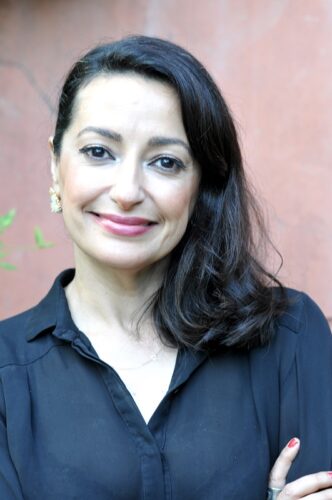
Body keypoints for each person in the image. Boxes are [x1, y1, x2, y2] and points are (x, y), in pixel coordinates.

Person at [0, 35, 331, 500]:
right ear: (56, 164)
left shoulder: (289, 340)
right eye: (99, 151)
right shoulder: (5, 373)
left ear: (201, 185)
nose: (128, 190)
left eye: (165, 162)